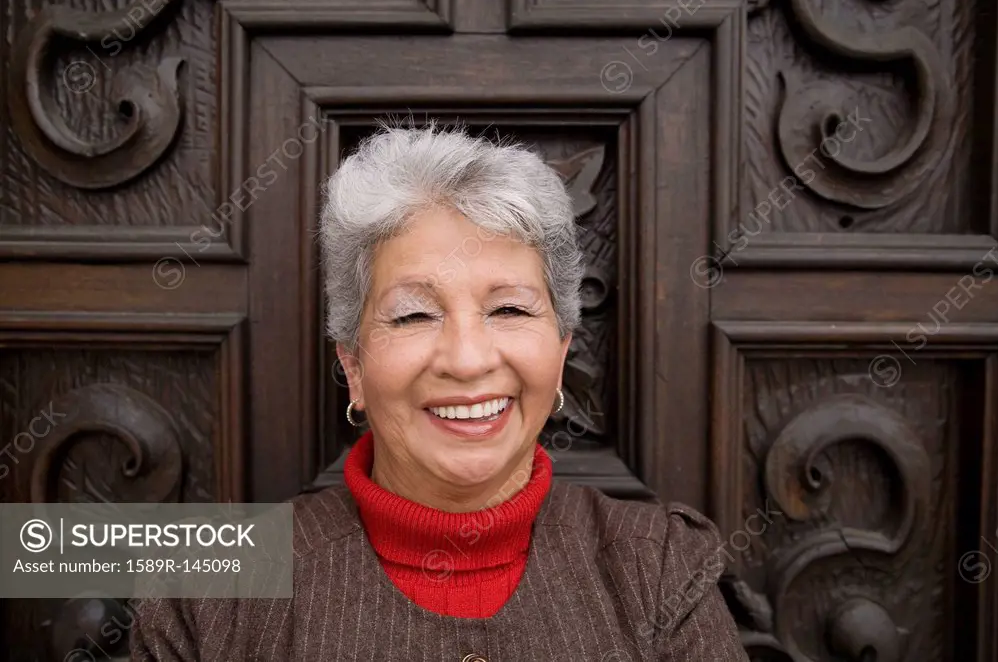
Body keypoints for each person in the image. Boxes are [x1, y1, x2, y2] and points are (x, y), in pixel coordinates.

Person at [130, 123, 747, 661]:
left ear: (560, 356)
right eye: (413, 316)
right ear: (354, 366)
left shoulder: (661, 569)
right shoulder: (207, 595)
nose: (468, 359)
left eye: (508, 308)